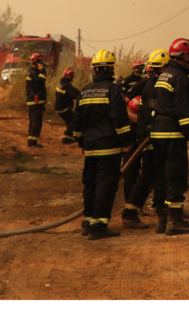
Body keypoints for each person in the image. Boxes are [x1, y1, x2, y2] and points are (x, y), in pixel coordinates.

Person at [74, 49, 133, 240]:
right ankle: (99, 226)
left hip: (90, 148)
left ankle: (88, 221)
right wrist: (127, 141)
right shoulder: (114, 90)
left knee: (90, 184)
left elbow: (78, 122)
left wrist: (81, 142)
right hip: (109, 147)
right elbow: (119, 119)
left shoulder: (84, 91)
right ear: (110, 69)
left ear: (94, 70)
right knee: (105, 185)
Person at [151, 37, 189, 235]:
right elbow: (183, 110)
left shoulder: (163, 76)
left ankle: (162, 222)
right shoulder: (181, 79)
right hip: (173, 134)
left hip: (158, 133)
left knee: (162, 177)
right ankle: (176, 222)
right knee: (176, 177)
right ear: (183, 55)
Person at [121, 47, 168, 230]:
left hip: (147, 135)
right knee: (149, 174)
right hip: (148, 137)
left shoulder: (152, 85)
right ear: (160, 68)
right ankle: (131, 212)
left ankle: (140, 209)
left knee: (151, 174)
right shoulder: (152, 86)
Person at [25, 52, 48, 148]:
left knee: (35, 121)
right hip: (35, 102)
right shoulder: (34, 72)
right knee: (36, 122)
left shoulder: (34, 71)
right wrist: (42, 70)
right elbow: (40, 81)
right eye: (41, 60)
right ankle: (32, 142)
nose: (42, 62)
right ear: (37, 62)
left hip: (36, 101)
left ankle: (32, 141)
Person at [55, 67, 80, 144]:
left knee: (69, 121)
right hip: (64, 108)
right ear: (70, 77)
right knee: (73, 121)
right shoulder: (67, 86)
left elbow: (71, 90)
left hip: (58, 108)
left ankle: (68, 137)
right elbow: (75, 94)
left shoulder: (60, 84)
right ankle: (67, 138)